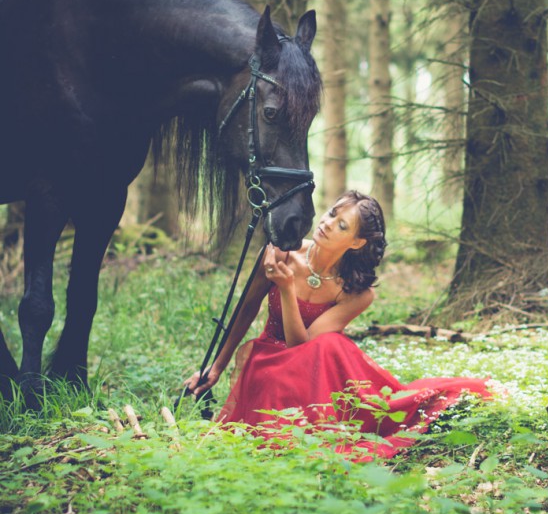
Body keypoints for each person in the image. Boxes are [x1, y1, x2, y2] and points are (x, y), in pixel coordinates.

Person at [185, 190, 492, 460]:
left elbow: (302, 347)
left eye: (342, 225)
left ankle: (342, 421)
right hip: (269, 357)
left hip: (319, 369)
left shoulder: (357, 293)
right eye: (332, 214)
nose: (328, 223)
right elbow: (247, 307)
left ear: (357, 242)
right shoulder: (283, 251)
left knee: (329, 344)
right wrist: (217, 366)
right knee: (272, 405)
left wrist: (288, 290)